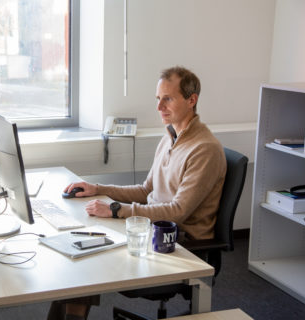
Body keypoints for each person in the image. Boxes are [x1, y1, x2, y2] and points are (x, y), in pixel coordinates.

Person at [47, 66, 226, 320]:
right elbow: (146, 190)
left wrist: (117, 210)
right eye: (158, 99)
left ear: (191, 100)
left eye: (168, 98)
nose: (159, 107)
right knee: (77, 254)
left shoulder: (204, 149)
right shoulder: (170, 136)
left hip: (177, 245)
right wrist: (98, 189)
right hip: (148, 231)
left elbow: (178, 211)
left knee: (84, 264)